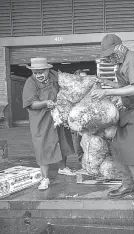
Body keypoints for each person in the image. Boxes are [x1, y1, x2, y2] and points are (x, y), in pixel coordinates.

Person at [91, 34, 134, 214]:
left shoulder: (132, 59)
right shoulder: (120, 63)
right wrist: (105, 83)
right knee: (117, 145)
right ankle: (129, 185)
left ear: (119, 47)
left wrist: (107, 93)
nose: (109, 58)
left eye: (111, 53)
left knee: (131, 148)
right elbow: (125, 85)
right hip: (130, 107)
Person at [22, 58, 76, 190]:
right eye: (36, 72)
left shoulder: (54, 75)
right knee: (42, 145)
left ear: (48, 70)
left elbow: (67, 83)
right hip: (41, 118)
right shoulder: (30, 83)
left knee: (62, 140)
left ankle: (63, 168)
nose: (39, 75)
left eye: (42, 72)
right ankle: (45, 178)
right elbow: (31, 103)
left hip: (57, 114)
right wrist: (45, 103)